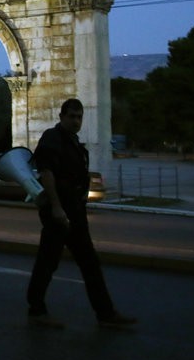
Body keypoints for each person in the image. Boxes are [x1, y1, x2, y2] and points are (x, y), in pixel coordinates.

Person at [26, 98, 136, 329]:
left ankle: (105, 313)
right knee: (48, 262)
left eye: (79, 117)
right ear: (61, 116)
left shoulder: (73, 141)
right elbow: (47, 173)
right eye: (72, 116)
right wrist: (56, 207)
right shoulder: (52, 138)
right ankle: (36, 310)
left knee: (89, 263)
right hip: (59, 212)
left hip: (74, 211)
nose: (76, 121)